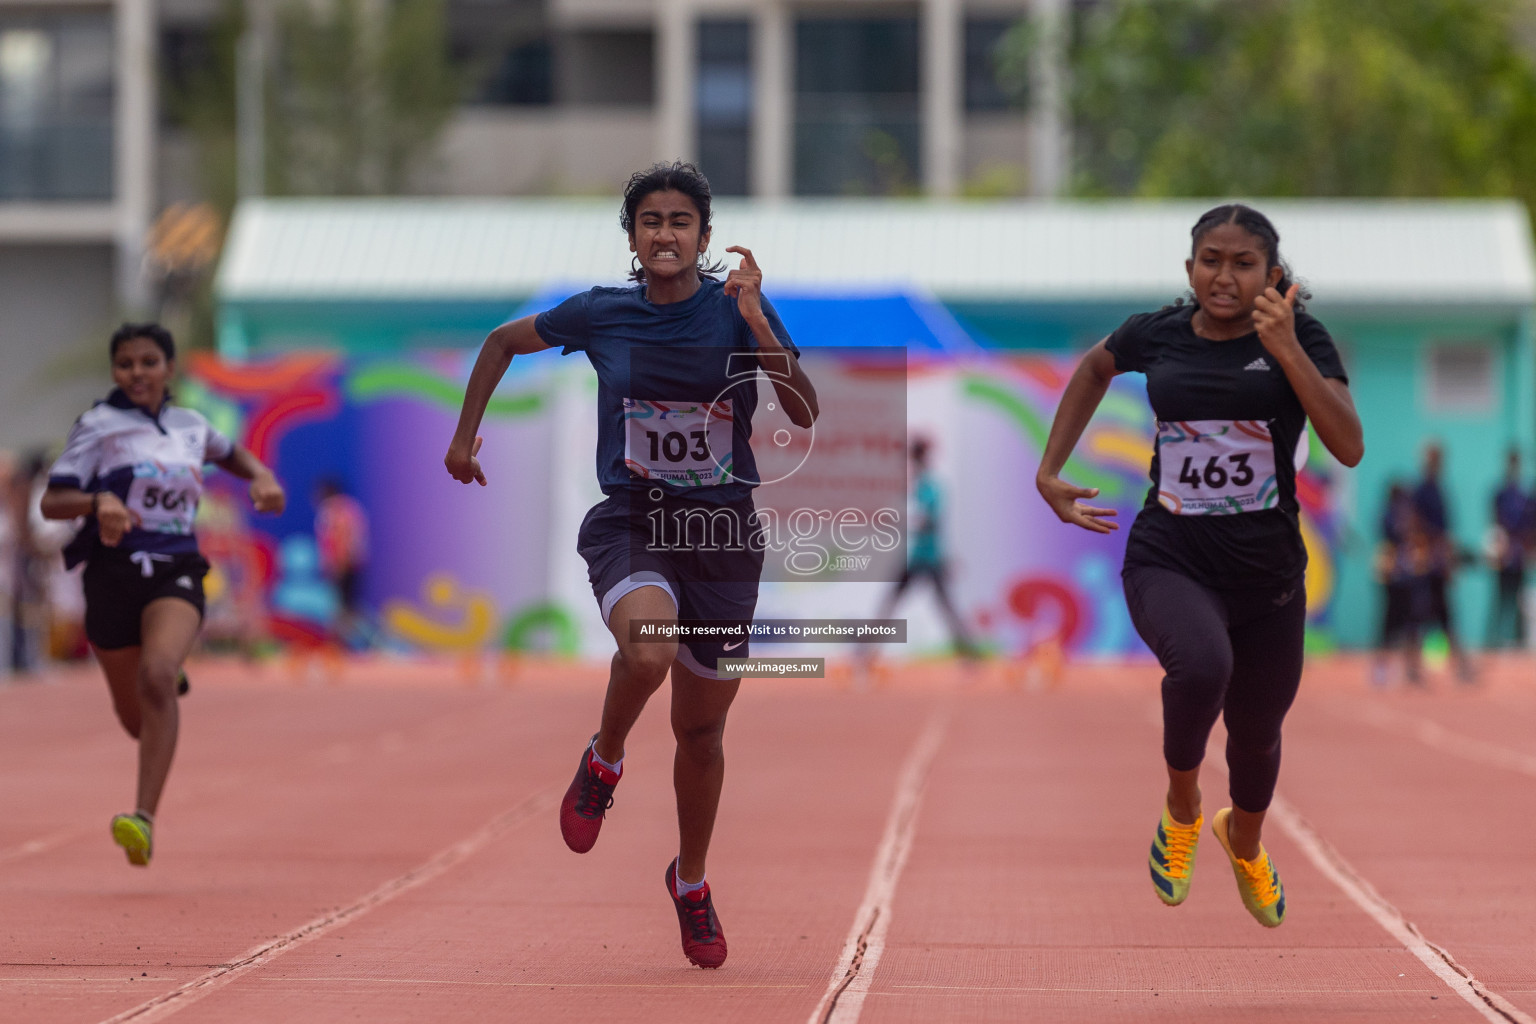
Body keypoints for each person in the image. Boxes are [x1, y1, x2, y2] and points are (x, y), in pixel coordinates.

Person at [445, 162, 817, 969]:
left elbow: (803, 408)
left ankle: (691, 882)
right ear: (632, 237)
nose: (665, 234)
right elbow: (502, 342)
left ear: (705, 238)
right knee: (647, 649)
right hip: (635, 523)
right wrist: (463, 435)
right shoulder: (602, 314)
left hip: (722, 539)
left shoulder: (736, 311)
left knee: (702, 731)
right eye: (650, 221)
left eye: (681, 221)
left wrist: (757, 324)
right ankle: (604, 759)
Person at [1036, 205, 1363, 928]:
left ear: (1272, 276)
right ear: (1190, 269)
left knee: (1257, 735)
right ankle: (1183, 804)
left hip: (1270, 578)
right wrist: (1050, 470)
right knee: (1201, 668)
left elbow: (1347, 444)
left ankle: (1242, 838)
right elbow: (1094, 369)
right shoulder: (1155, 332)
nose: (1225, 275)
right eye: (1211, 259)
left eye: (1243, 263)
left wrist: (1287, 350)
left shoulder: (1300, 337)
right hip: (1171, 556)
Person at [40, 323, 285, 867]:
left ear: (169, 369)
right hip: (110, 574)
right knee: (138, 721)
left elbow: (234, 456)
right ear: (114, 373)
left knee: (155, 680)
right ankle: (163, 665)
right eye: (126, 364)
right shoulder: (98, 426)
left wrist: (262, 476)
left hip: (175, 566)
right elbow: (53, 502)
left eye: (149, 362)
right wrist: (98, 500)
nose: (138, 373)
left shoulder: (192, 426)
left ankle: (142, 819)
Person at [868, 438, 977, 665]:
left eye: (914, 457)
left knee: (944, 608)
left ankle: (969, 656)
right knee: (892, 604)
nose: (912, 462)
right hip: (917, 556)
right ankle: (865, 655)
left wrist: (902, 521)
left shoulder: (931, 486)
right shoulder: (917, 485)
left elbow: (930, 521)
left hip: (930, 558)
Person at [1412, 441, 1474, 679]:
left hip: (1438, 563)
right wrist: (1433, 546)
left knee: (1445, 615)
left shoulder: (1439, 488)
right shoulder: (1422, 490)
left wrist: (1447, 556)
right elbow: (1416, 522)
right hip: (1427, 563)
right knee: (1420, 615)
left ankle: (1460, 665)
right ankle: (1414, 665)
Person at [314, 478, 370, 647]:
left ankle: (355, 644)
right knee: (347, 607)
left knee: (342, 608)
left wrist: (338, 565)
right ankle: (355, 643)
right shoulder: (352, 508)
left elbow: (340, 539)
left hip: (343, 565)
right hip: (353, 564)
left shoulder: (332, 511)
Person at [1487, 449, 1530, 648]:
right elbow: (1495, 523)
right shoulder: (1500, 494)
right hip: (1504, 555)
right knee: (1500, 598)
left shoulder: (1525, 496)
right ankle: (1492, 641)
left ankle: (1520, 640)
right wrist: (1498, 548)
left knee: (1519, 598)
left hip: (1520, 555)